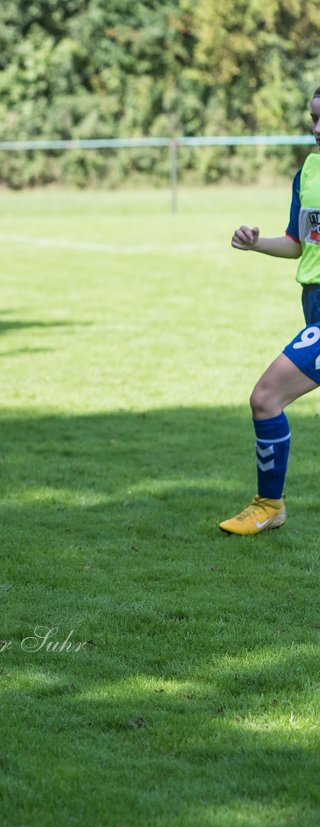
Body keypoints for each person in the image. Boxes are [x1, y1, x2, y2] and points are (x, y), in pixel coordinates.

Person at [219, 87, 320, 536]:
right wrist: (256, 242)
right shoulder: (309, 171)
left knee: (266, 397)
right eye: (313, 118)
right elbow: (300, 244)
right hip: (312, 303)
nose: (316, 129)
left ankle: (268, 504)